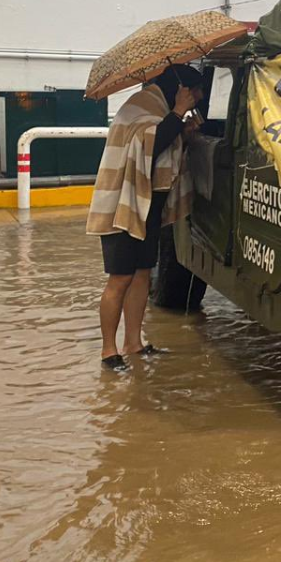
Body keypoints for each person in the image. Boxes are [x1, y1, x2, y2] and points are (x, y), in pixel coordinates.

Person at [86, 65, 203, 370]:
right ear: (182, 89)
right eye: (197, 91)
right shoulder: (139, 107)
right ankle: (109, 351)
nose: (200, 98)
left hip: (147, 209)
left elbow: (163, 152)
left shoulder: (161, 109)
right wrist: (177, 115)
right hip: (123, 208)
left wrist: (184, 131)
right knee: (120, 278)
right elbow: (147, 144)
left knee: (141, 276)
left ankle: (133, 343)